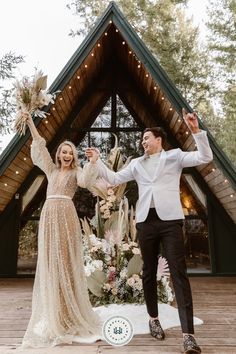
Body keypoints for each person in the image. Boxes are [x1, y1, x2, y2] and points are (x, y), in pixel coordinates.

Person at [86, 109, 213, 354]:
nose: (143, 142)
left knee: (179, 274)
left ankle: (188, 336)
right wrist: (97, 161)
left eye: (147, 138)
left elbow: (204, 156)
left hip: (170, 221)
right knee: (148, 272)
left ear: (159, 140)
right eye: (142, 139)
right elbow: (112, 178)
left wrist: (196, 131)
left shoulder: (175, 156)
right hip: (146, 222)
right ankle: (153, 319)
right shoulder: (136, 164)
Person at [21, 112, 101, 348]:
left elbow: (87, 180)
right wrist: (29, 123)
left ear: (73, 157)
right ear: (58, 155)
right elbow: (39, 146)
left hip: (66, 216)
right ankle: (53, 312)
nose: (66, 155)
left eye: (70, 153)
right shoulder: (51, 170)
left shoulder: (76, 173)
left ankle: (67, 312)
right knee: (51, 262)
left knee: (65, 261)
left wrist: (94, 160)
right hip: (49, 216)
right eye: (63, 152)